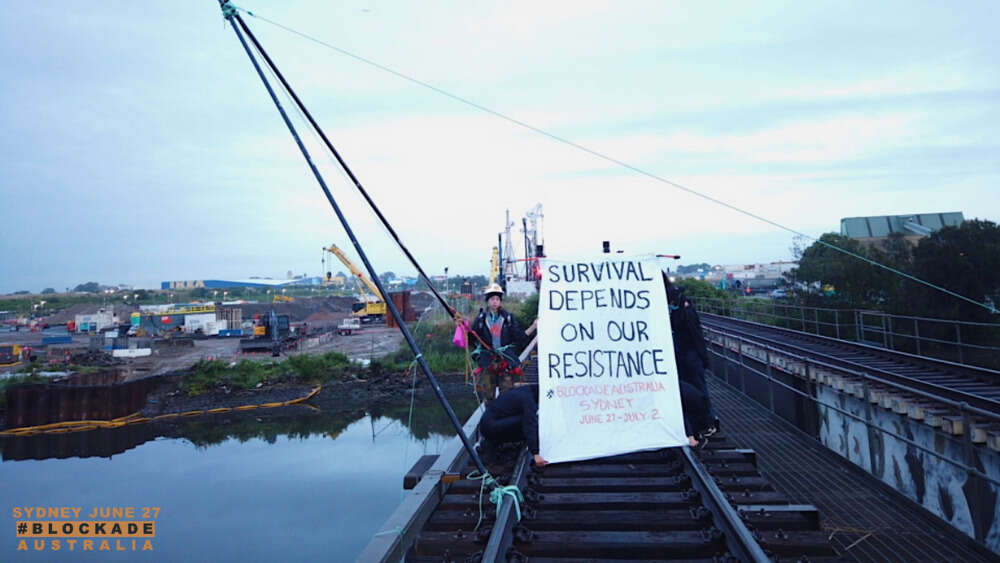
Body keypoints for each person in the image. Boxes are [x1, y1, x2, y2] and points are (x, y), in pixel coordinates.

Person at [664, 274, 720, 440]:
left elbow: (694, 335)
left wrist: (702, 358)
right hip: (687, 355)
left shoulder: (684, 312)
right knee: (696, 389)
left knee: (698, 389)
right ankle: (703, 423)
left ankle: (708, 423)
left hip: (690, 355)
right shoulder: (683, 308)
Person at [468, 283, 537, 398]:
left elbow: (519, 337)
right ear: (487, 301)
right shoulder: (481, 319)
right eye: (492, 299)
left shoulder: (508, 318)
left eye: (497, 299)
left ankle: (504, 415)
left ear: (500, 301)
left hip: (505, 362)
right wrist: (462, 327)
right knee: (488, 396)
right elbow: (472, 338)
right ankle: (490, 415)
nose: (495, 302)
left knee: (506, 397)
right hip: (487, 362)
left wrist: (534, 326)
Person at [479, 383, 548, 466]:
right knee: (530, 420)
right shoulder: (527, 399)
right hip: (490, 427)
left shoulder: (523, 391)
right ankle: (490, 444)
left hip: (488, 424)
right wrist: (535, 453)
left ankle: (495, 442)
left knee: (530, 418)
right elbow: (529, 424)